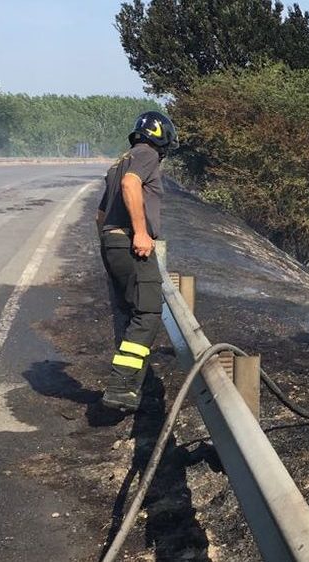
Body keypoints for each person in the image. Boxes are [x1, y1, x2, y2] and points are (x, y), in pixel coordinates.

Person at [96, 111, 178, 412]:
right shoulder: (146, 154)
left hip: (113, 243)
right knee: (147, 313)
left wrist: (109, 247)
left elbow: (100, 215)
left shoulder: (120, 161)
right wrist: (141, 232)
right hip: (133, 243)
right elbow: (132, 186)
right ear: (162, 138)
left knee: (132, 314)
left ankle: (130, 388)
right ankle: (120, 386)